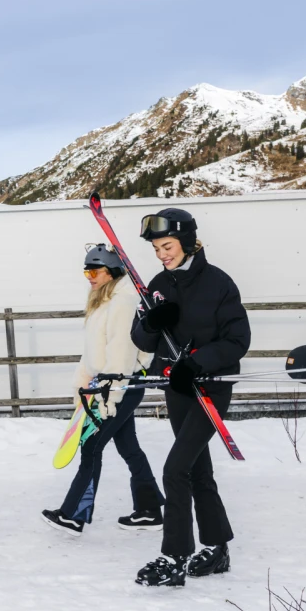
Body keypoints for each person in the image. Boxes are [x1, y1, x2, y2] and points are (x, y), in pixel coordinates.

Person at [129, 208, 251, 587]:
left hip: (210, 388)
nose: (161, 254)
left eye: (166, 246)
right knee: (198, 469)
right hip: (178, 389)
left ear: (186, 241)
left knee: (174, 469)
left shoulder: (218, 284)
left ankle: (175, 556)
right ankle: (217, 548)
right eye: (156, 249)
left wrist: (196, 363)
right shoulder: (157, 285)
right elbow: (141, 339)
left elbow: (237, 341)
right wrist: (151, 324)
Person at [42, 244, 165, 536]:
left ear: (112, 273)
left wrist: (111, 393)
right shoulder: (104, 301)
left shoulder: (122, 303)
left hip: (120, 386)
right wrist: (83, 384)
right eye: (87, 270)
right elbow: (94, 352)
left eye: (94, 270)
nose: (89, 276)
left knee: (91, 446)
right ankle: (149, 510)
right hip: (109, 386)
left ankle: (74, 514)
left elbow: (121, 353)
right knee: (128, 447)